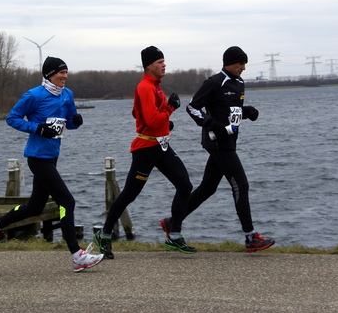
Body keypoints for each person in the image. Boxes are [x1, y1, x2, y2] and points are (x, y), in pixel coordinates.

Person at [0, 56, 103, 272]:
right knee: (67, 201)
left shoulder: (67, 94)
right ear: (49, 74)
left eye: (66, 72)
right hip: (37, 158)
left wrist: (76, 122)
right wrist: (37, 128)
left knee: (35, 207)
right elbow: (12, 118)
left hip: (53, 157)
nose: (65, 76)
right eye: (61, 72)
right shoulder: (33, 95)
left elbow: (69, 123)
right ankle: (77, 255)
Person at [159, 46, 275, 252]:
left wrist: (247, 112)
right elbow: (192, 107)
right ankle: (250, 237)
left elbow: (231, 110)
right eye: (241, 63)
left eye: (245, 63)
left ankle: (172, 222)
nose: (244, 68)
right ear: (230, 63)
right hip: (218, 143)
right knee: (241, 185)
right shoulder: (214, 82)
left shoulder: (239, 83)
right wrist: (210, 124)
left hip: (229, 142)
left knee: (208, 188)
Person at [93, 46, 195, 259]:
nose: (164, 64)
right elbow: (151, 120)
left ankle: (174, 235)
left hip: (162, 146)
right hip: (146, 150)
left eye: (164, 61)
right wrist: (171, 108)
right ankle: (104, 235)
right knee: (130, 194)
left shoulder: (155, 87)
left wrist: (166, 122)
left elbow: (137, 113)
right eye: (159, 62)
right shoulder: (146, 87)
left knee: (184, 185)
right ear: (149, 66)